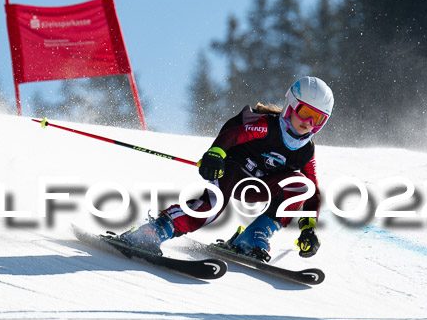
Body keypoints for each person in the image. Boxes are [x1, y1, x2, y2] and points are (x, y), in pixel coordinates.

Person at [120, 76, 334, 262]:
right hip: (232, 172)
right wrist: (216, 154)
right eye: (305, 112)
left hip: (258, 187)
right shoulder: (268, 126)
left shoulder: (306, 151)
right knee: (212, 207)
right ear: (291, 105)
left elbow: (312, 189)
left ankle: (254, 236)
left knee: (301, 184)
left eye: (317, 118)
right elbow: (234, 135)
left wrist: (309, 227)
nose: (308, 122)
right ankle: (155, 230)